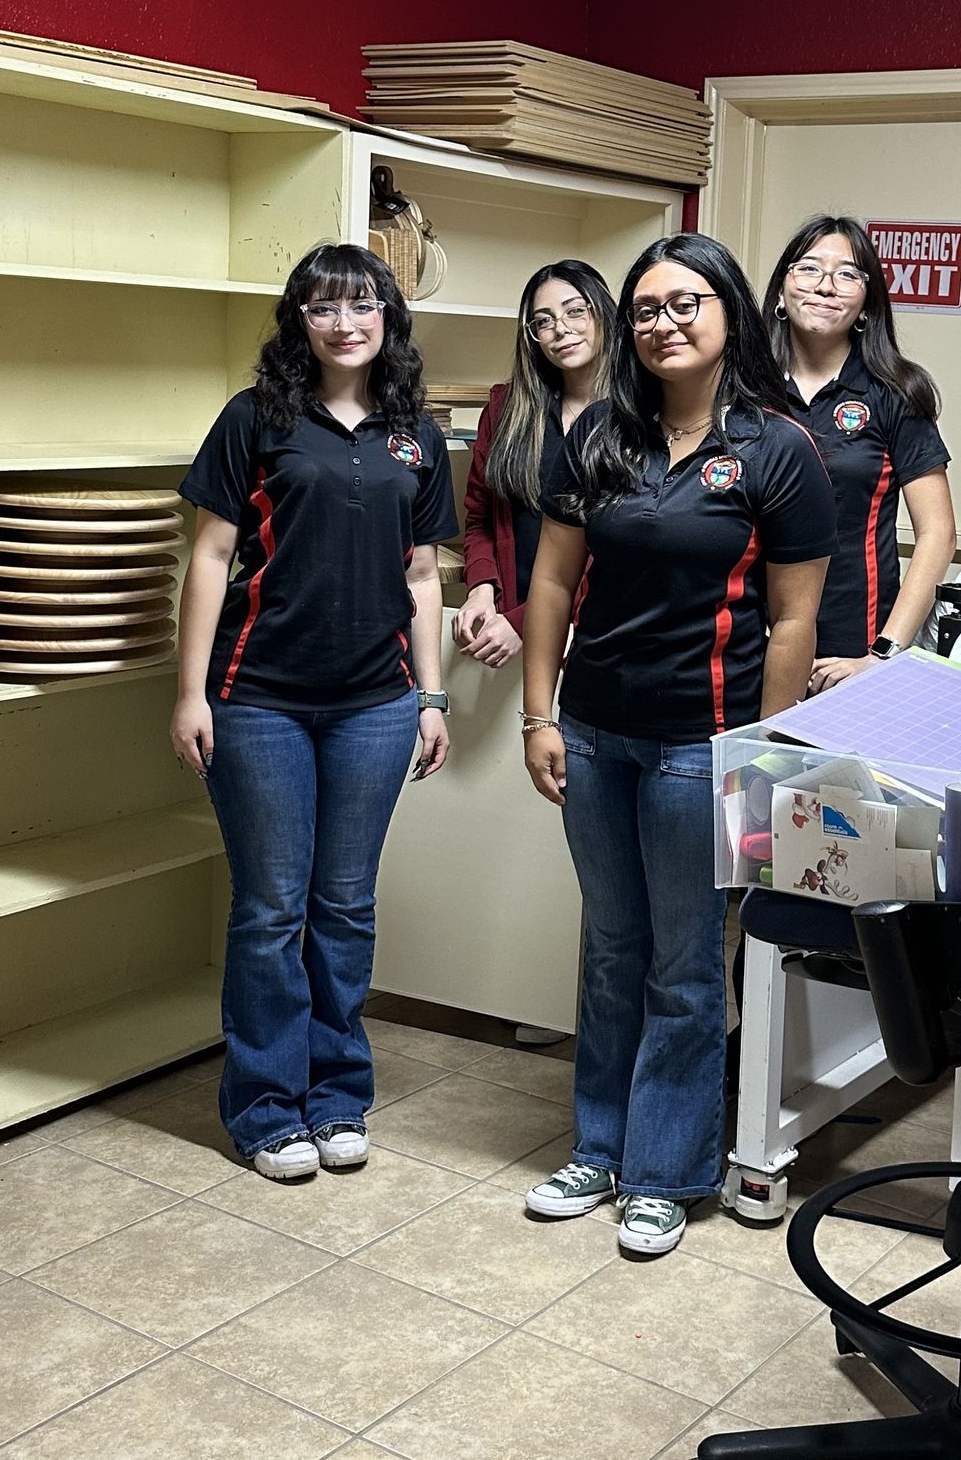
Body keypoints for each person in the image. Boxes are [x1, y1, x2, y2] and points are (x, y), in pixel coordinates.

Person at [519, 233, 836, 1254]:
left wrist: (763, 753)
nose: (664, 323)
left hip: (703, 746)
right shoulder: (601, 438)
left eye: (685, 303)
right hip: (597, 732)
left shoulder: (778, 451)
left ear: (729, 314)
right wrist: (538, 712)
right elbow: (555, 584)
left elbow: (793, 622)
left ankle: (666, 1171)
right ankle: (599, 1148)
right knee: (612, 951)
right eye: (647, 308)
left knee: (687, 965)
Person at [172, 242, 456, 1181]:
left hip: (376, 704)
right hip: (259, 700)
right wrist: (191, 692)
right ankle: (263, 1108)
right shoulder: (255, 420)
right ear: (300, 321)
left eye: (363, 305)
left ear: (388, 319)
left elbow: (423, 575)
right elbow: (210, 558)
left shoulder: (415, 433)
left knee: (345, 906)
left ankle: (337, 1097)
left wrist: (431, 695)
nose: (346, 323)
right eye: (325, 308)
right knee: (268, 910)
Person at [455, 260, 619, 1049]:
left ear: (604, 315)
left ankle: (567, 1000)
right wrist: (485, 587)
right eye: (542, 320)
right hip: (510, 624)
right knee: (507, 817)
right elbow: (482, 507)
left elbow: (611, 548)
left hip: (595, 631)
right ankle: (522, 987)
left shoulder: (637, 411)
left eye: (574, 312)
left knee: (574, 827)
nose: (559, 331)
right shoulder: (508, 404)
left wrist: (525, 619)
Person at [763, 216, 957, 692]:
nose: (826, 286)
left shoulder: (895, 392)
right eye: (808, 269)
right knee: (744, 769)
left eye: (847, 274)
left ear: (868, 304)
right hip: (750, 643)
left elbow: (938, 533)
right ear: (782, 292)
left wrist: (882, 654)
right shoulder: (744, 389)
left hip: (850, 648)